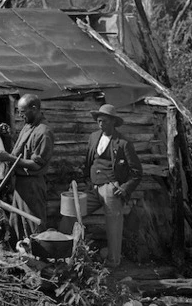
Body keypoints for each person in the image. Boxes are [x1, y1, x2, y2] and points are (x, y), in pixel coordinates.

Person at [61, 104, 142, 268]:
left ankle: (113, 262)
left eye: (104, 121)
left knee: (113, 226)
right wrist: (86, 180)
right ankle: (62, 252)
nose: (100, 124)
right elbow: (88, 161)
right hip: (92, 188)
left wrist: (125, 188)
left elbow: (137, 172)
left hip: (111, 189)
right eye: (98, 121)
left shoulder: (123, 144)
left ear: (113, 122)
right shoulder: (93, 137)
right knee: (71, 213)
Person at [0, 94, 54, 241]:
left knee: (34, 222)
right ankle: (21, 254)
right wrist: (10, 135)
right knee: (17, 221)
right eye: (18, 111)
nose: (20, 115)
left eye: (22, 112)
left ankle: (39, 257)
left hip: (32, 185)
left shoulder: (44, 133)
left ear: (34, 109)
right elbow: (24, 148)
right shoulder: (28, 126)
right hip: (21, 183)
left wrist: (8, 158)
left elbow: (36, 164)